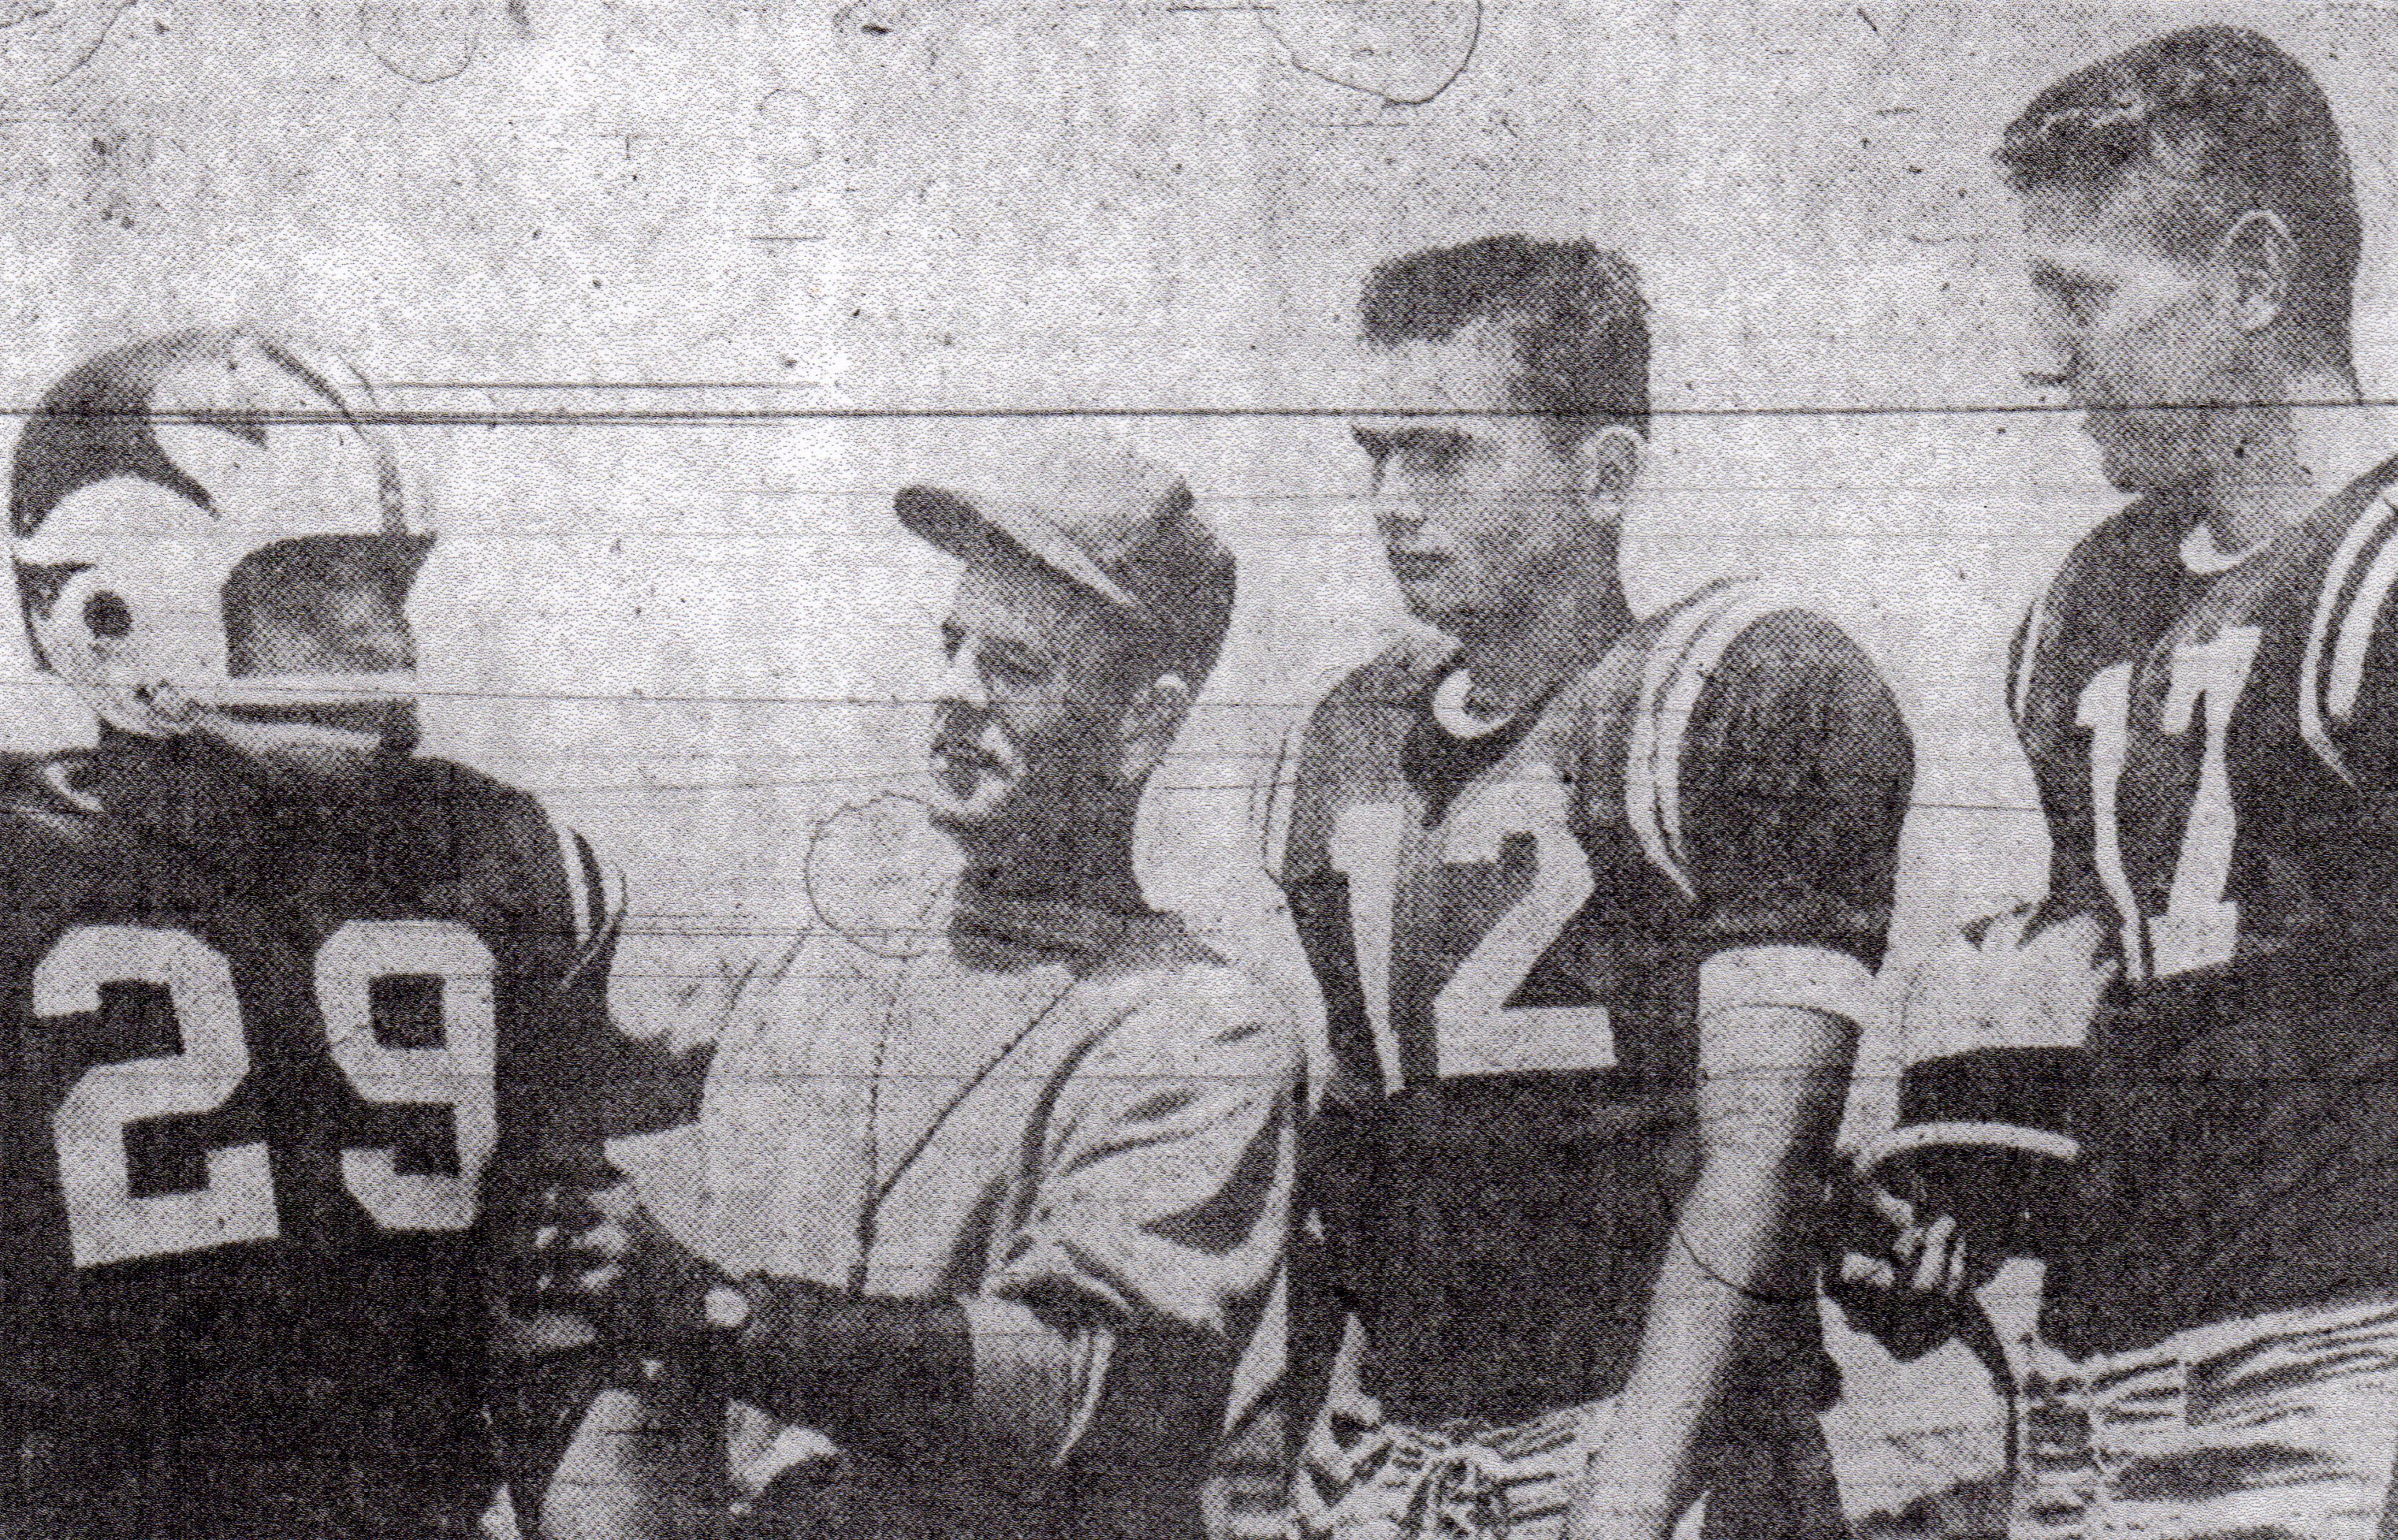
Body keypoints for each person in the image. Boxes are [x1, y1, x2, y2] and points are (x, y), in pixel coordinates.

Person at [516, 444, 1301, 1539]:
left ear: (1143, 723)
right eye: (952, 646)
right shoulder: (816, 964)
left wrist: (711, 1311)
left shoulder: (1198, 1027)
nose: (955, 693)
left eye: (1014, 666)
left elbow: (1076, 1382)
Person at [1834, 26, 2398, 1540]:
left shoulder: (2378, 572)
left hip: (2336, 1389)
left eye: (2079, 294)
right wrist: (1965, 1189)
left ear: (2254, 275)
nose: (2042, 354)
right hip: (2086, 1402)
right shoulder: (2086, 607)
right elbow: (2156, 987)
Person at [1261, 235, 1913, 1540]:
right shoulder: (1349, 737)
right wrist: (1327, 1413)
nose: (1390, 499)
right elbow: (1373, 1138)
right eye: (1375, 453)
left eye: (1442, 453)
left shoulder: (1729, 686)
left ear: (1603, 472)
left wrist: (1629, 1491)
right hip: (1411, 1463)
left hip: (1657, 1458)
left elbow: (1758, 1156)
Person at [0, 327, 682, 1538]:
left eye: (383, 586)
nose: (382, 636)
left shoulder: (505, 861)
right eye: (313, 590)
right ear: (112, 613)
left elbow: (569, 1335)